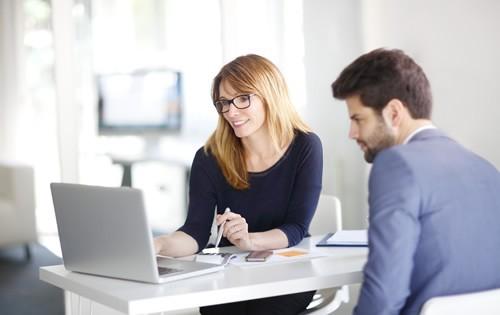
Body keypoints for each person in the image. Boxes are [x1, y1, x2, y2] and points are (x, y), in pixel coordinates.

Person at [331, 48, 500, 315]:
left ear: (394, 113)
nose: (352, 133)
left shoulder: (396, 164)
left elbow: (385, 293)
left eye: (358, 119)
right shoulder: (486, 168)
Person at [154, 54, 323, 314]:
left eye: (243, 99)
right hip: (229, 274)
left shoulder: (305, 146)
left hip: (287, 273)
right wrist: (160, 244)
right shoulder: (209, 157)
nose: (231, 111)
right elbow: (195, 233)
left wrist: (249, 240)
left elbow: (296, 227)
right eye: (224, 102)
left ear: (270, 96)